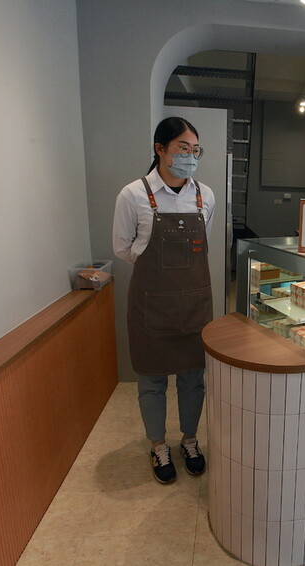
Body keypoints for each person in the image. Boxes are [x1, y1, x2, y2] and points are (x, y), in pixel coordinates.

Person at [112, 117, 215, 484]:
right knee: (152, 382)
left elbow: (204, 242)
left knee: (193, 380)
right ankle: (158, 445)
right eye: (183, 148)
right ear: (160, 149)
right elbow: (123, 249)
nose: (190, 157)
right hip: (151, 306)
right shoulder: (133, 195)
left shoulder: (205, 195)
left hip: (195, 306)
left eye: (195, 150)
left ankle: (190, 440)